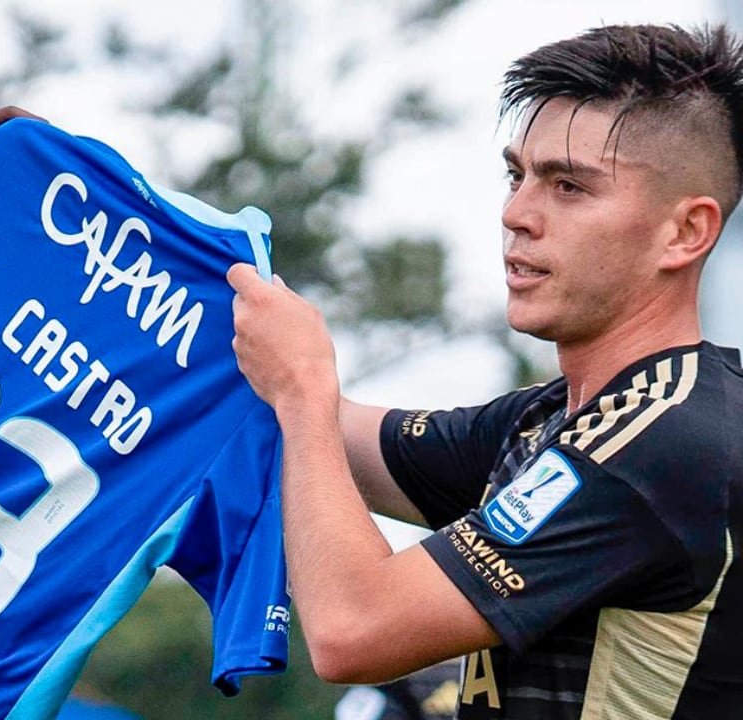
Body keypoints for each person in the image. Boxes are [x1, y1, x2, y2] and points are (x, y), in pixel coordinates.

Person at [227, 22, 743, 718]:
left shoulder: (659, 443)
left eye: (569, 187)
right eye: (516, 175)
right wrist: (81, 205)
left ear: (685, 233)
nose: (516, 214)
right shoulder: (556, 419)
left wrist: (301, 385)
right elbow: (324, 427)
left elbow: (353, 629)